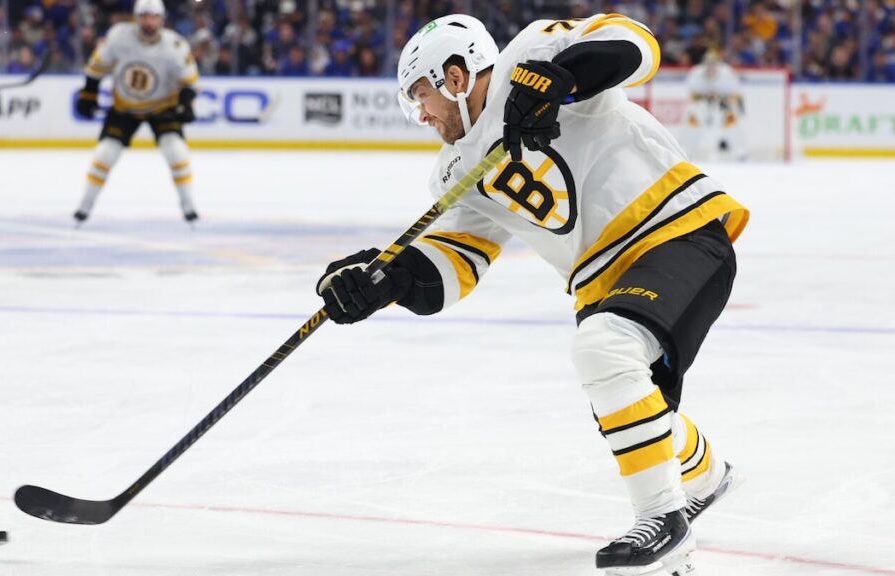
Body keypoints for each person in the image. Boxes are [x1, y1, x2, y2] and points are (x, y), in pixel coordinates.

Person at [315, 14, 748, 575]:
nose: (421, 114)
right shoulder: (455, 172)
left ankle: (662, 517)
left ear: (453, 76)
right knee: (629, 401)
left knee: (605, 350)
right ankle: (708, 476)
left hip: (674, 229)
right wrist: (384, 282)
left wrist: (559, 78)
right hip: (600, 281)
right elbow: (454, 266)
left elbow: (637, 44)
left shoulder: (530, 51)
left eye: (421, 95)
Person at [72, 0, 200, 225]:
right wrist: (88, 95)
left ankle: (188, 206)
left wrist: (186, 105)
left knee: (176, 151)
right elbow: (96, 70)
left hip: (162, 106)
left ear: (162, 19)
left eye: (154, 17)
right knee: (105, 154)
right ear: (135, 17)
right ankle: (85, 206)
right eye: (144, 16)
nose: (148, 22)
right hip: (125, 106)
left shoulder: (175, 45)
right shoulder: (119, 37)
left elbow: (189, 83)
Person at [683, 51, 748, 161]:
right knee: (693, 123)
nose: (710, 67)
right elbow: (691, 95)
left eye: (713, 64)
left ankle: (740, 151)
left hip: (724, 103)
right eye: (708, 63)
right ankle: (688, 151)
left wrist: (721, 98)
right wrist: (704, 97)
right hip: (702, 103)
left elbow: (736, 94)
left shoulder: (726, 73)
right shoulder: (696, 73)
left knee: (733, 125)